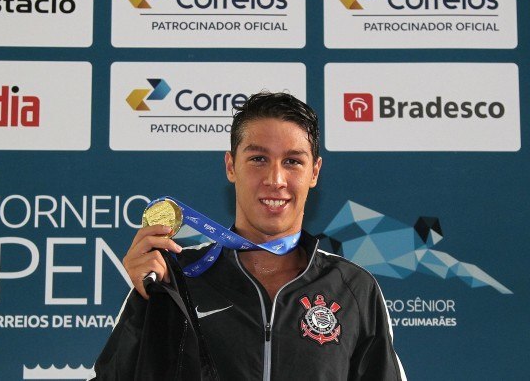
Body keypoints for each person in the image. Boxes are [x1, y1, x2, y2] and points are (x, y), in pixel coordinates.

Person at [91, 92, 406, 380]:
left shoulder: (354, 289)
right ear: (231, 166)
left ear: (314, 172)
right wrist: (146, 301)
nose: (275, 179)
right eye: (258, 159)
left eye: (293, 161)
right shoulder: (175, 278)